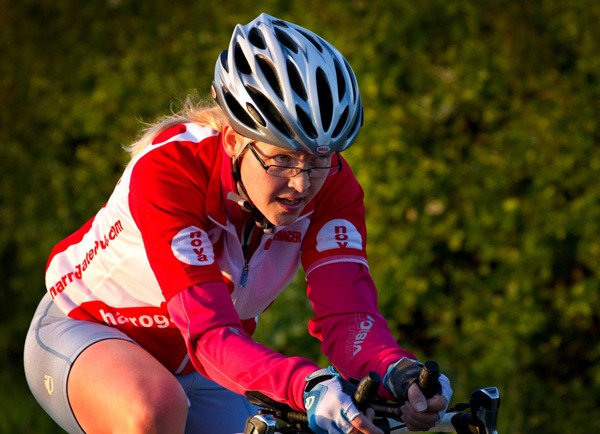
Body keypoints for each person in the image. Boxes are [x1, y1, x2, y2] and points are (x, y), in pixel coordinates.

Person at [24, 12, 451, 434]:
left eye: (320, 159)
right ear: (233, 140)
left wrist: (395, 370)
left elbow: (349, 315)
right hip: (86, 328)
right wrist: (304, 385)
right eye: (282, 158)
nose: (302, 184)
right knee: (152, 410)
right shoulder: (171, 170)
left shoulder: (335, 186)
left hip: (203, 362)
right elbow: (207, 328)